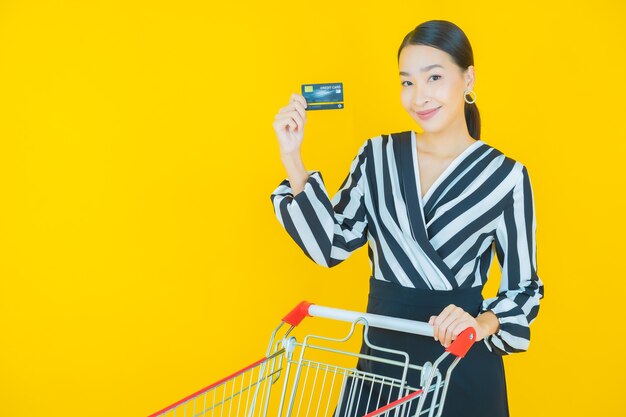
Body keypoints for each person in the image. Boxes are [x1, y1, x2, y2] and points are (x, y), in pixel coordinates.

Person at [270, 19, 543, 417]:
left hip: (460, 366)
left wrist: (482, 322)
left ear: (468, 78)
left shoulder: (506, 177)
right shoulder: (377, 156)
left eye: (433, 77)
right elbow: (331, 244)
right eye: (407, 82)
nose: (419, 97)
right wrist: (292, 157)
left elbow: (525, 287)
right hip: (382, 364)